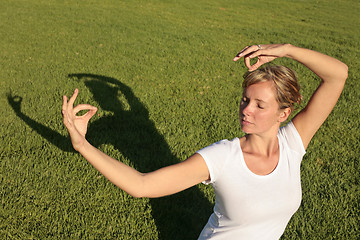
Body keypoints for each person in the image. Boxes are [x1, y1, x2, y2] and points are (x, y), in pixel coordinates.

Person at [61, 43, 348, 239]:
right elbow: (142, 185)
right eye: (245, 100)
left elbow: (337, 75)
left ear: (283, 113)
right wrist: (82, 145)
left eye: (260, 105)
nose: (246, 110)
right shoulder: (223, 158)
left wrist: (284, 50)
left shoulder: (293, 145)